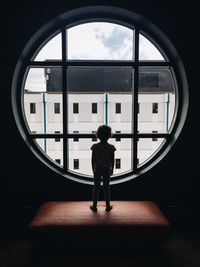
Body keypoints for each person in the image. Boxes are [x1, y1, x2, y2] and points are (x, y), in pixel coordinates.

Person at [90, 125, 116, 212]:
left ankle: (94, 206)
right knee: (106, 187)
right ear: (109, 135)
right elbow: (112, 160)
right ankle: (108, 206)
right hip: (106, 169)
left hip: (97, 168)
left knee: (96, 187)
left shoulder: (95, 146)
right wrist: (112, 169)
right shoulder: (111, 147)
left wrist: (93, 168)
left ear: (98, 135)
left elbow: (93, 159)